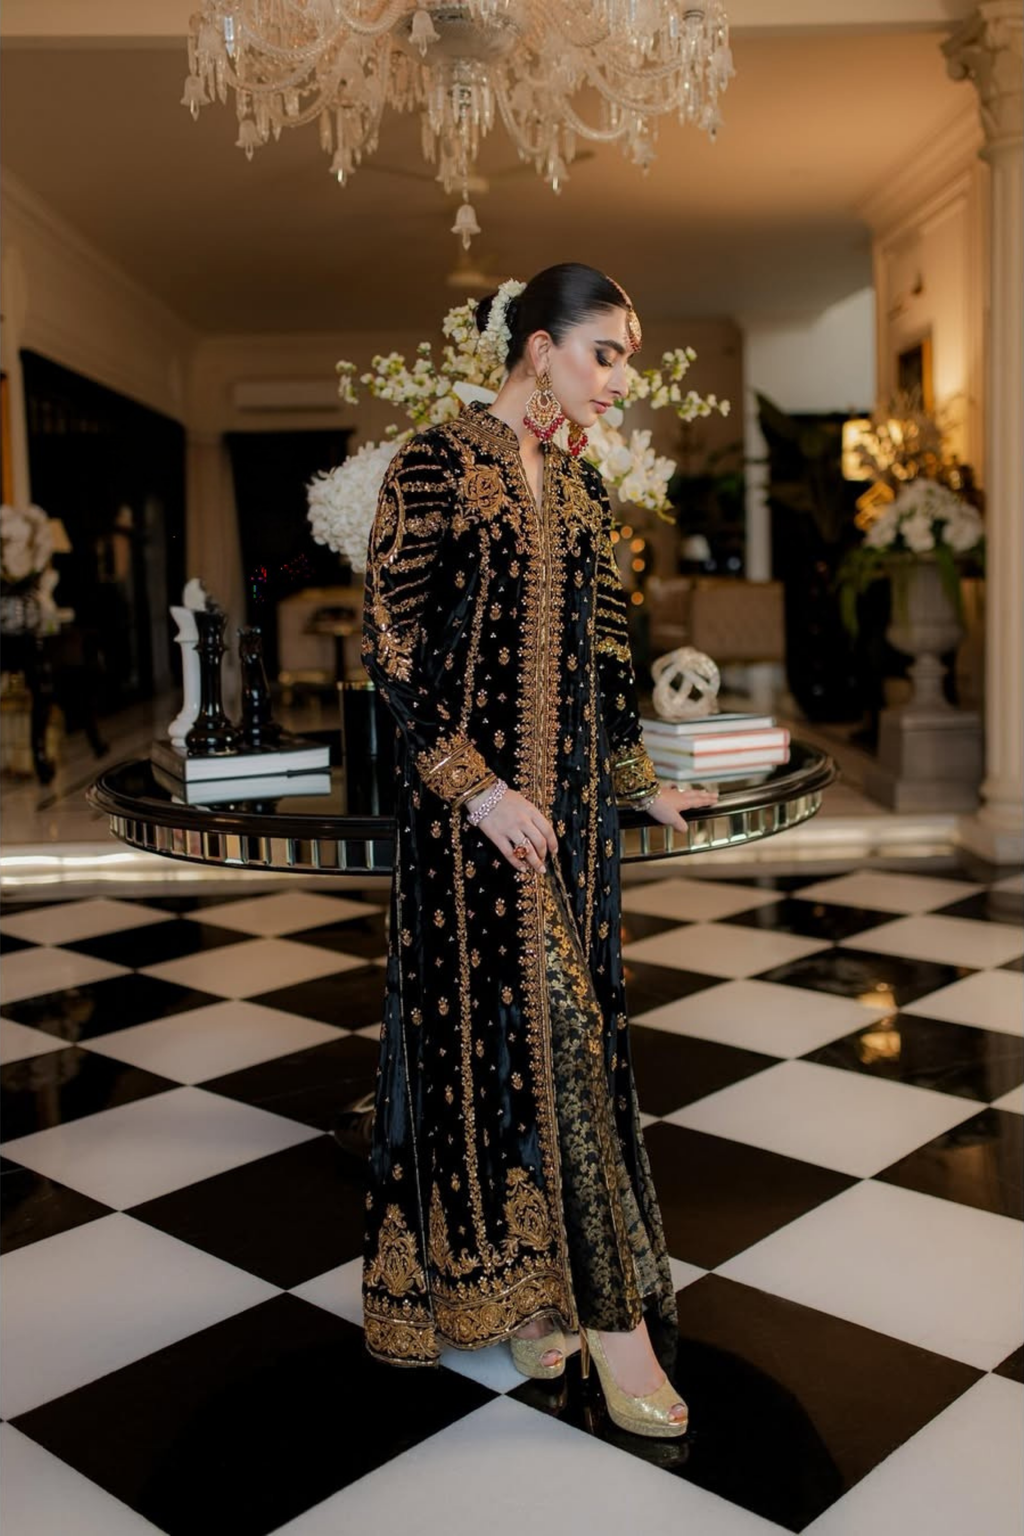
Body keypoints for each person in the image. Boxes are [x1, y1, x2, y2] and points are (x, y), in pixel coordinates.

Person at [360, 263, 717, 1438]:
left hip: (569, 823)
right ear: (536, 349)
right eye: (605, 351)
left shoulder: (582, 490)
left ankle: (543, 1289)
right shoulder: (434, 463)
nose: (622, 375)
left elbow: (611, 661)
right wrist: (475, 792)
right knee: (494, 1043)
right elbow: (394, 650)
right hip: (473, 828)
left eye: (626, 354)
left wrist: (638, 786)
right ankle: (605, 1329)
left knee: (565, 1043)